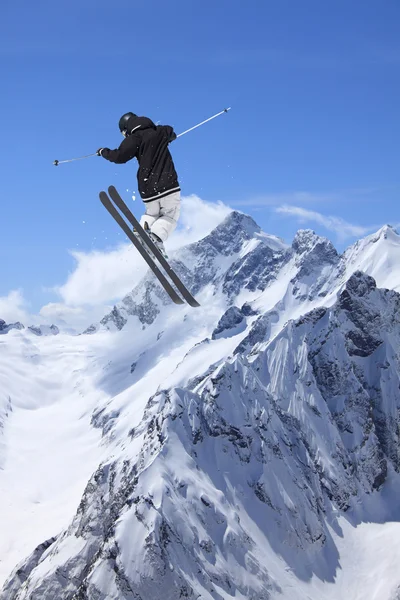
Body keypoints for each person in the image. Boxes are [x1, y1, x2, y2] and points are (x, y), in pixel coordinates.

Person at [98, 112, 180, 255]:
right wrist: (167, 138)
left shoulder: (134, 139)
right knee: (170, 215)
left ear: (126, 129)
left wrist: (103, 152)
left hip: (148, 188)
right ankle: (155, 237)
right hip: (168, 184)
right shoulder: (160, 131)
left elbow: (119, 156)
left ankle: (142, 228)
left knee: (152, 213)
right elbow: (171, 132)